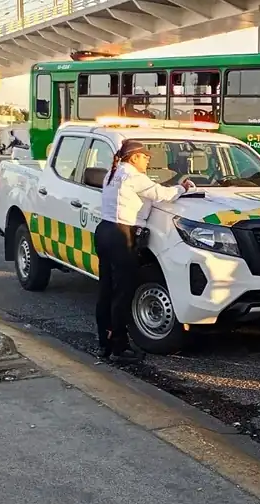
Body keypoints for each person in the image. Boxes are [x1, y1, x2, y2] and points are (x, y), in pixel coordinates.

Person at [95, 140, 196, 362]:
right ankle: (119, 348)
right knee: (123, 292)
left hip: (104, 231)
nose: (148, 160)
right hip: (122, 235)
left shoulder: (112, 174)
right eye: (144, 156)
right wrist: (183, 187)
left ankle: (104, 343)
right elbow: (162, 194)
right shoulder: (133, 176)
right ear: (133, 158)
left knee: (106, 290)